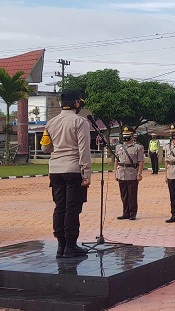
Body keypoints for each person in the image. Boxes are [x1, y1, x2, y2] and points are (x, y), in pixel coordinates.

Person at [40, 90, 91, 258]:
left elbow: (45, 148)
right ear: (76, 103)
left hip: (55, 170)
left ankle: (61, 246)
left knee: (60, 207)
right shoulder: (80, 122)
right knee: (72, 208)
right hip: (73, 169)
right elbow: (84, 150)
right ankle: (70, 245)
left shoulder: (51, 123)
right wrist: (86, 174)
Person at [115, 126, 144, 220]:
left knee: (132, 194)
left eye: (127, 135)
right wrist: (116, 172)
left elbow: (141, 161)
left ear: (132, 136)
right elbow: (116, 160)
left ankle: (132, 213)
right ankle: (125, 213)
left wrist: (139, 173)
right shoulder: (119, 147)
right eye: (124, 135)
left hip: (132, 173)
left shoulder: (138, 147)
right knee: (123, 195)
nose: (125, 137)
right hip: (121, 172)